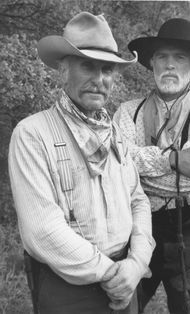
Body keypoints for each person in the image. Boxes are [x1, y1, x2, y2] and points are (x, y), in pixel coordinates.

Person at [8, 12, 155, 314]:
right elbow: (42, 229)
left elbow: (137, 200)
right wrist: (112, 273)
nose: (99, 79)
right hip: (68, 288)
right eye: (87, 65)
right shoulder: (33, 133)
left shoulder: (115, 132)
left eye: (107, 69)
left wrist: (137, 263)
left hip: (126, 275)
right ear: (63, 70)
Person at [114, 18, 190, 314]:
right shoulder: (127, 113)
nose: (170, 65)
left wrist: (136, 169)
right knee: (122, 305)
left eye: (180, 57)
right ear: (152, 63)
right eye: (163, 56)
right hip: (136, 226)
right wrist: (173, 160)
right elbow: (117, 169)